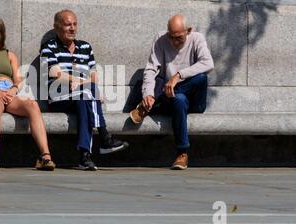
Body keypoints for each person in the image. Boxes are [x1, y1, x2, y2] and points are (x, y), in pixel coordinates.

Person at [40, 10, 129, 171]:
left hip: (82, 96)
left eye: (75, 24)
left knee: (84, 100)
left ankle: (84, 155)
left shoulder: (85, 47)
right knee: (89, 92)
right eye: (68, 25)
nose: (72, 28)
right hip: (59, 97)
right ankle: (104, 137)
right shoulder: (49, 47)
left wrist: (78, 83)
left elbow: (94, 77)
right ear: (57, 27)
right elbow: (55, 73)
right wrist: (80, 81)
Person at [0, 16, 55, 171]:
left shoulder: (10, 55)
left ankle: (45, 156)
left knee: (32, 105)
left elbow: (17, 79)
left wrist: (13, 90)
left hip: (8, 92)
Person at [131, 14, 214, 170]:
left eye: (178, 38)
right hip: (173, 99)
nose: (173, 42)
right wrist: (148, 94)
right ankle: (182, 154)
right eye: (171, 37)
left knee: (201, 78)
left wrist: (178, 75)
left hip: (195, 100)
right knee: (179, 99)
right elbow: (150, 69)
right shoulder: (161, 39)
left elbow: (208, 63)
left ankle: (154, 103)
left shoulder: (197, 39)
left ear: (188, 31)